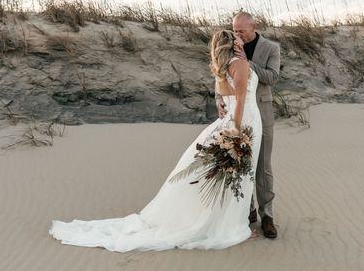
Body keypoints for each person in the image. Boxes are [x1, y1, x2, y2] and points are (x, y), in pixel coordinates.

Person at [49, 29, 263, 251]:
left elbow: (227, 96)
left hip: (229, 122)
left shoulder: (223, 68)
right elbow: (239, 101)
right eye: (236, 35)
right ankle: (227, 226)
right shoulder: (240, 64)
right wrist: (236, 132)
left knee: (232, 178)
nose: (240, 36)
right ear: (232, 43)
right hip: (242, 124)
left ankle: (223, 222)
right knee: (238, 176)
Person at [216, 11, 280, 239]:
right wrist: (219, 100)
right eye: (235, 30)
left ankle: (268, 216)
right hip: (237, 114)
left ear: (254, 28)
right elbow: (222, 74)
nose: (237, 34)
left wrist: (247, 61)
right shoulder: (229, 45)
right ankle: (248, 210)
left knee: (262, 166)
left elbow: (272, 78)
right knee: (241, 163)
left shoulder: (271, 48)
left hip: (261, 113)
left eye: (241, 30)